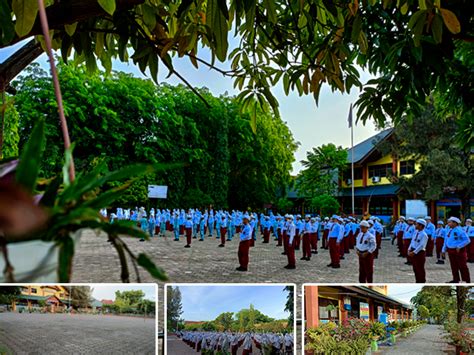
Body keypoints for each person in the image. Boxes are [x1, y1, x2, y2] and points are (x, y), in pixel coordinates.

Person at [442, 216, 471, 283]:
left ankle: (466, 280)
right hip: (450, 250)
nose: (448, 223)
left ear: (455, 223)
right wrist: (443, 249)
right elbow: (446, 240)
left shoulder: (460, 230)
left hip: (459, 250)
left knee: (462, 266)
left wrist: (459, 246)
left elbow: (467, 240)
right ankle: (456, 279)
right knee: (453, 266)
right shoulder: (449, 230)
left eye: (450, 222)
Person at [408, 219, 429, 283]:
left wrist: (414, 252)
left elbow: (421, 246)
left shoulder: (424, 235)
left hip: (419, 252)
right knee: (415, 268)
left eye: (417, 224)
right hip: (413, 250)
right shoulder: (416, 232)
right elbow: (412, 241)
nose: (415, 225)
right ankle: (417, 280)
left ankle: (422, 281)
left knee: (420, 268)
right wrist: (409, 249)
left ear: (420, 226)